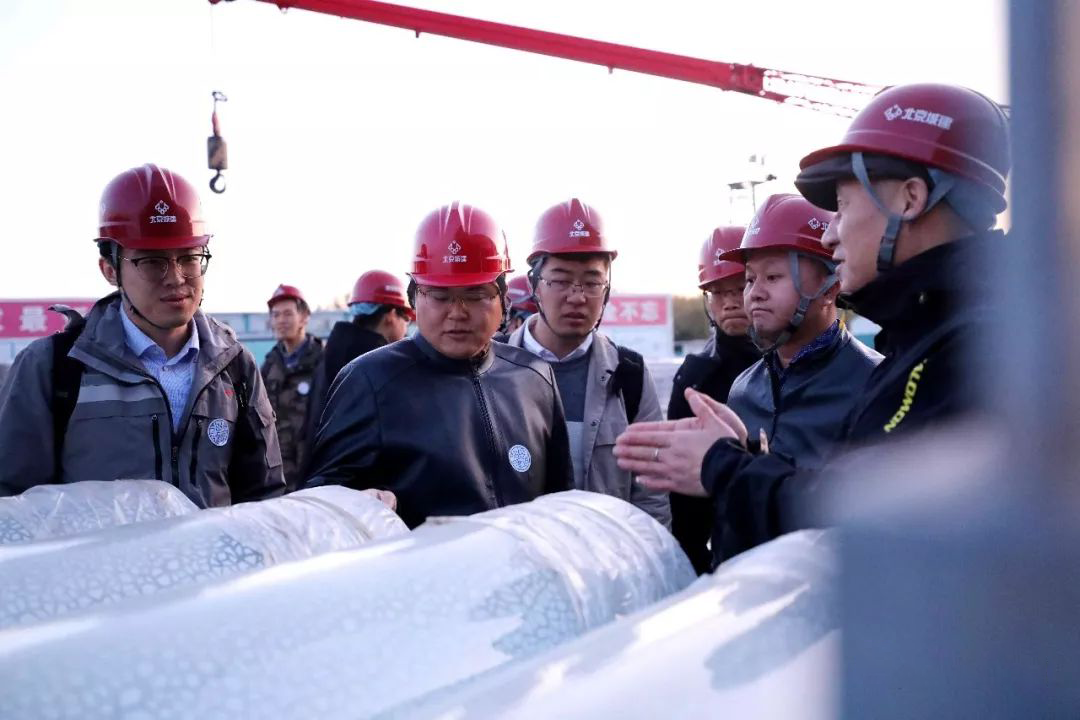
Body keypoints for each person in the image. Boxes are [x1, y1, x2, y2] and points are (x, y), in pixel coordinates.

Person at [614, 83, 1010, 559]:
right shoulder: (927, 341)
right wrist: (745, 458)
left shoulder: (981, 350)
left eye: (842, 206)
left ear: (910, 199)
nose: (830, 234)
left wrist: (723, 466)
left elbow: (867, 527)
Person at [0, 163, 285, 507]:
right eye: (152, 262)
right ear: (110, 270)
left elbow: (264, 501)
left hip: (215, 546)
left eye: (189, 258)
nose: (176, 278)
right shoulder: (55, 368)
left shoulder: (234, 367)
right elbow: (12, 504)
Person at [305, 202, 572, 528]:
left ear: (504, 299)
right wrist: (354, 504)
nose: (457, 312)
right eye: (440, 296)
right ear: (414, 299)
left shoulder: (535, 378)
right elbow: (317, 506)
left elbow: (561, 504)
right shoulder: (369, 381)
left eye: (476, 294)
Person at [504, 198, 670, 527]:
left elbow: (652, 495)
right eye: (561, 280)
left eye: (592, 282)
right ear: (535, 284)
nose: (577, 297)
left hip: (606, 556)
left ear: (607, 288)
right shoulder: (492, 367)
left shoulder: (630, 375)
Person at [667, 226, 760, 574]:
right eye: (717, 292)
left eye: (738, 287)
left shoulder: (793, 362)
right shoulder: (695, 377)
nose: (730, 302)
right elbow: (682, 493)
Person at [305, 270, 413, 450]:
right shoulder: (385, 367)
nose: (406, 329)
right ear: (391, 315)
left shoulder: (326, 357)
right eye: (407, 319)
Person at [261, 284, 323, 489]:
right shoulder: (269, 365)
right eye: (276, 315)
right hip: (276, 474)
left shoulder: (323, 361)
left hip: (314, 472)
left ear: (304, 317)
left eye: (288, 314)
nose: (280, 320)